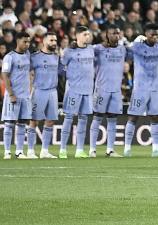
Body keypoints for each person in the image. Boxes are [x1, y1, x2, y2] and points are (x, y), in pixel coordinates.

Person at [125, 24, 158, 157]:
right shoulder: (137, 46)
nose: (154, 37)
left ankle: (156, 150)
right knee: (133, 116)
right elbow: (125, 50)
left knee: (155, 117)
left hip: (154, 89)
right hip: (140, 88)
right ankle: (127, 149)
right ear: (146, 34)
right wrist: (134, 41)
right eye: (152, 35)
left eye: (156, 35)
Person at [58, 27, 96, 158]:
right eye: (85, 34)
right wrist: (70, 75)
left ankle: (79, 150)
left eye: (88, 34)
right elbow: (60, 68)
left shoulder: (91, 49)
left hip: (88, 90)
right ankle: (62, 149)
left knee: (83, 119)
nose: (88, 36)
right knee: (68, 118)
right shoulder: (69, 50)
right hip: (74, 90)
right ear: (77, 36)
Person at [92, 28, 128, 157]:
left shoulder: (123, 49)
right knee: (98, 116)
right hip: (102, 88)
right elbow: (85, 50)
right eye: (113, 33)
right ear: (107, 35)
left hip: (116, 90)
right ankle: (92, 149)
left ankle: (110, 150)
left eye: (118, 33)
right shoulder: (98, 48)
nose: (116, 36)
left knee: (113, 117)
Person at [0, 33, 33, 159]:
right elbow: (4, 76)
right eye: (25, 42)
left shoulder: (28, 55)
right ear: (18, 42)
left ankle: (19, 151)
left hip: (25, 95)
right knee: (9, 122)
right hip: (13, 95)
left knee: (22, 122)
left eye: (28, 42)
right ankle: (7, 152)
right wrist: (11, 94)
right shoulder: (9, 57)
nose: (27, 44)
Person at [28, 31, 61, 158]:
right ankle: (30, 151)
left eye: (55, 40)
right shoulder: (35, 57)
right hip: (39, 91)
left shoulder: (56, 57)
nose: (54, 43)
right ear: (44, 41)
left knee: (50, 121)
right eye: (51, 40)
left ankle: (44, 151)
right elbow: (25, 71)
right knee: (34, 121)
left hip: (52, 91)